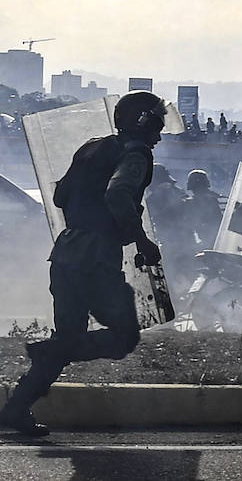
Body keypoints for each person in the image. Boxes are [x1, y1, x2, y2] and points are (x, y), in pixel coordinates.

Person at [0, 91, 170, 436]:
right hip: (96, 258)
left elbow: (60, 196)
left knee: (70, 335)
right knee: (123, 337)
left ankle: (16, 409)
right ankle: (48, 351)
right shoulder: (135, 154)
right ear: (143, 121)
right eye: (157, 121)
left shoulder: (91, 148)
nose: (160, 130)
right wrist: (141, 239)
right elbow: (118, 193)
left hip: (65, 252)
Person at [183, 169, 224, 253]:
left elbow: (189, 225)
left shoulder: (192, 203)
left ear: (192, 186)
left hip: (208, 244)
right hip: (227, 241)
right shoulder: (222, 199)